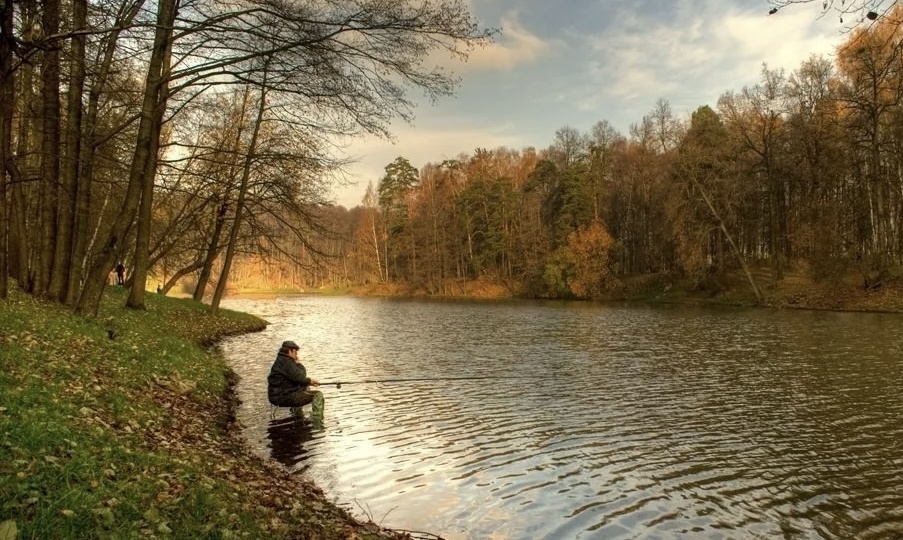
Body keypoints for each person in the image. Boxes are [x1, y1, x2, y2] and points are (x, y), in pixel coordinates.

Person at [267, 340, 324, 419]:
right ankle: (317, 419)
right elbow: (301, 377)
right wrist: (299, 364)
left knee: (304, 387)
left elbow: (295, 378)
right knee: (317, 395)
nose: (296, 354)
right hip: (283, 397)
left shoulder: (280, 360)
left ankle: (297, 417)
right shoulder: (287, 362)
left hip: (276, 396)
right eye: (295, 351)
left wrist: (308, 382)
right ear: (290, 351)